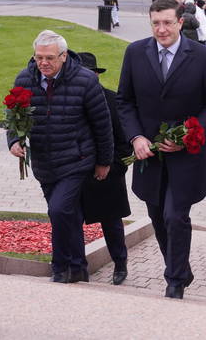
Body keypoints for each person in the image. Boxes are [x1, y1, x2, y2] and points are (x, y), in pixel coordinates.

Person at [117, 0, 206, 299]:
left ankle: (174, 281)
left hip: (186, 156)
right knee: (157, 215)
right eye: (156, 23)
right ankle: (180, 268)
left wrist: (191, 134)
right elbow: (124, 101)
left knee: (175, 215)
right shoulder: (135, 53)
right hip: (148, 155)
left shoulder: (204, 58)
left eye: (167, 22)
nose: (161, 29)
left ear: (180, 22)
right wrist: (136, 137)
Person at [7, 30, 113, 283]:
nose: (43, 63)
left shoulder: (86, 81)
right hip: (44, 162)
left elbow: (102, 124)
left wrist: (103, 162)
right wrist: (13, 140)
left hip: (77, 160)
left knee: (58, 210)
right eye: (39, 57)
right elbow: (13, 114)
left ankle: (60, 266)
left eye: (50, 58)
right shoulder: (24, 79)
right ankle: (77, 268)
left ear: (64, 56)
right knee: (69, 215)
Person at [77, 52, 131, 286]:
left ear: (97, 75)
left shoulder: (112, 100)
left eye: (90, 74)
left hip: (108, 173)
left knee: (112, 223)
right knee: (72, 221)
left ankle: (120, 264)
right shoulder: (72, 99)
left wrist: (112, 167)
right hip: (78, 173)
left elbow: (124, 141)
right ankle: (77, 266)